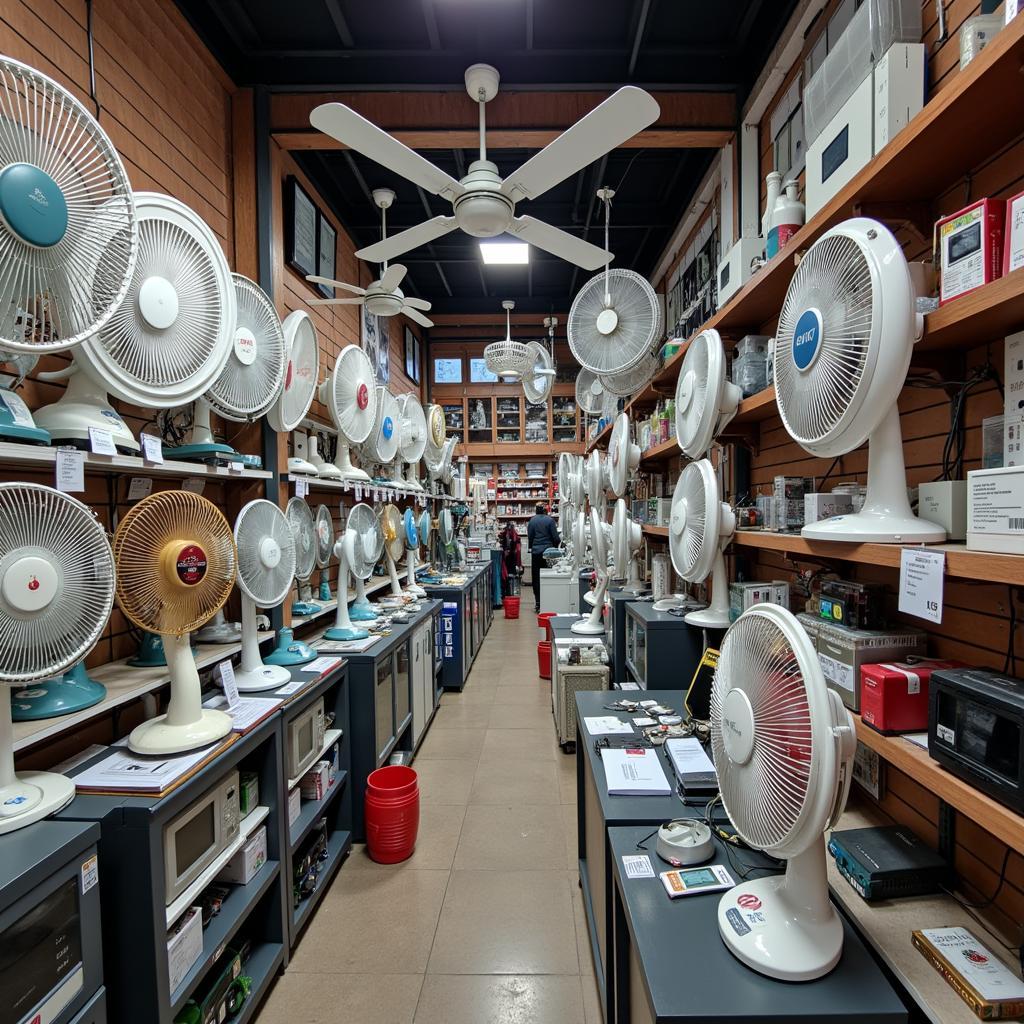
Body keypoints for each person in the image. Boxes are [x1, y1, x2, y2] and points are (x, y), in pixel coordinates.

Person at [526, 502, 560, 613]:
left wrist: (532, 547)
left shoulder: (532, 521)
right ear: (545, 510)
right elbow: (556, 538)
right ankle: (548, 601)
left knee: (536, 578)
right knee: (548, 578)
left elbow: (530, 537)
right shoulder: (550, 521)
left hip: (536, 552)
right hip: (548, 554)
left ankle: (538, 603)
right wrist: (555, 548)